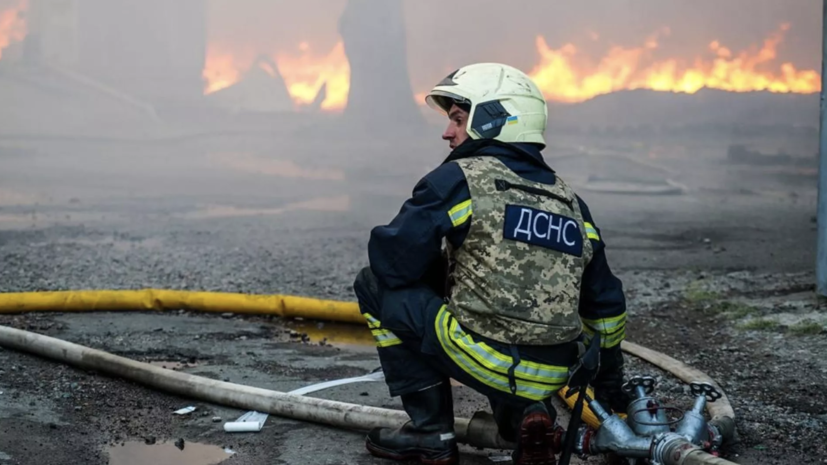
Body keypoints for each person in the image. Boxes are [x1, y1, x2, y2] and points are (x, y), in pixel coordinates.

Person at [352, 62, 629, 465]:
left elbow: (393, 263)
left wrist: (439, 272)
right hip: (553, 374)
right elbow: (606, 309)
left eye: (459, 119)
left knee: (374, 286)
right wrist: (610, 398)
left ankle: (430, 433)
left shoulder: (459, 180)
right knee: (499, 313)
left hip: (487, 359)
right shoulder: (571, 203)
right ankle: (528, 418)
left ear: (495, 119)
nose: (448, 132)